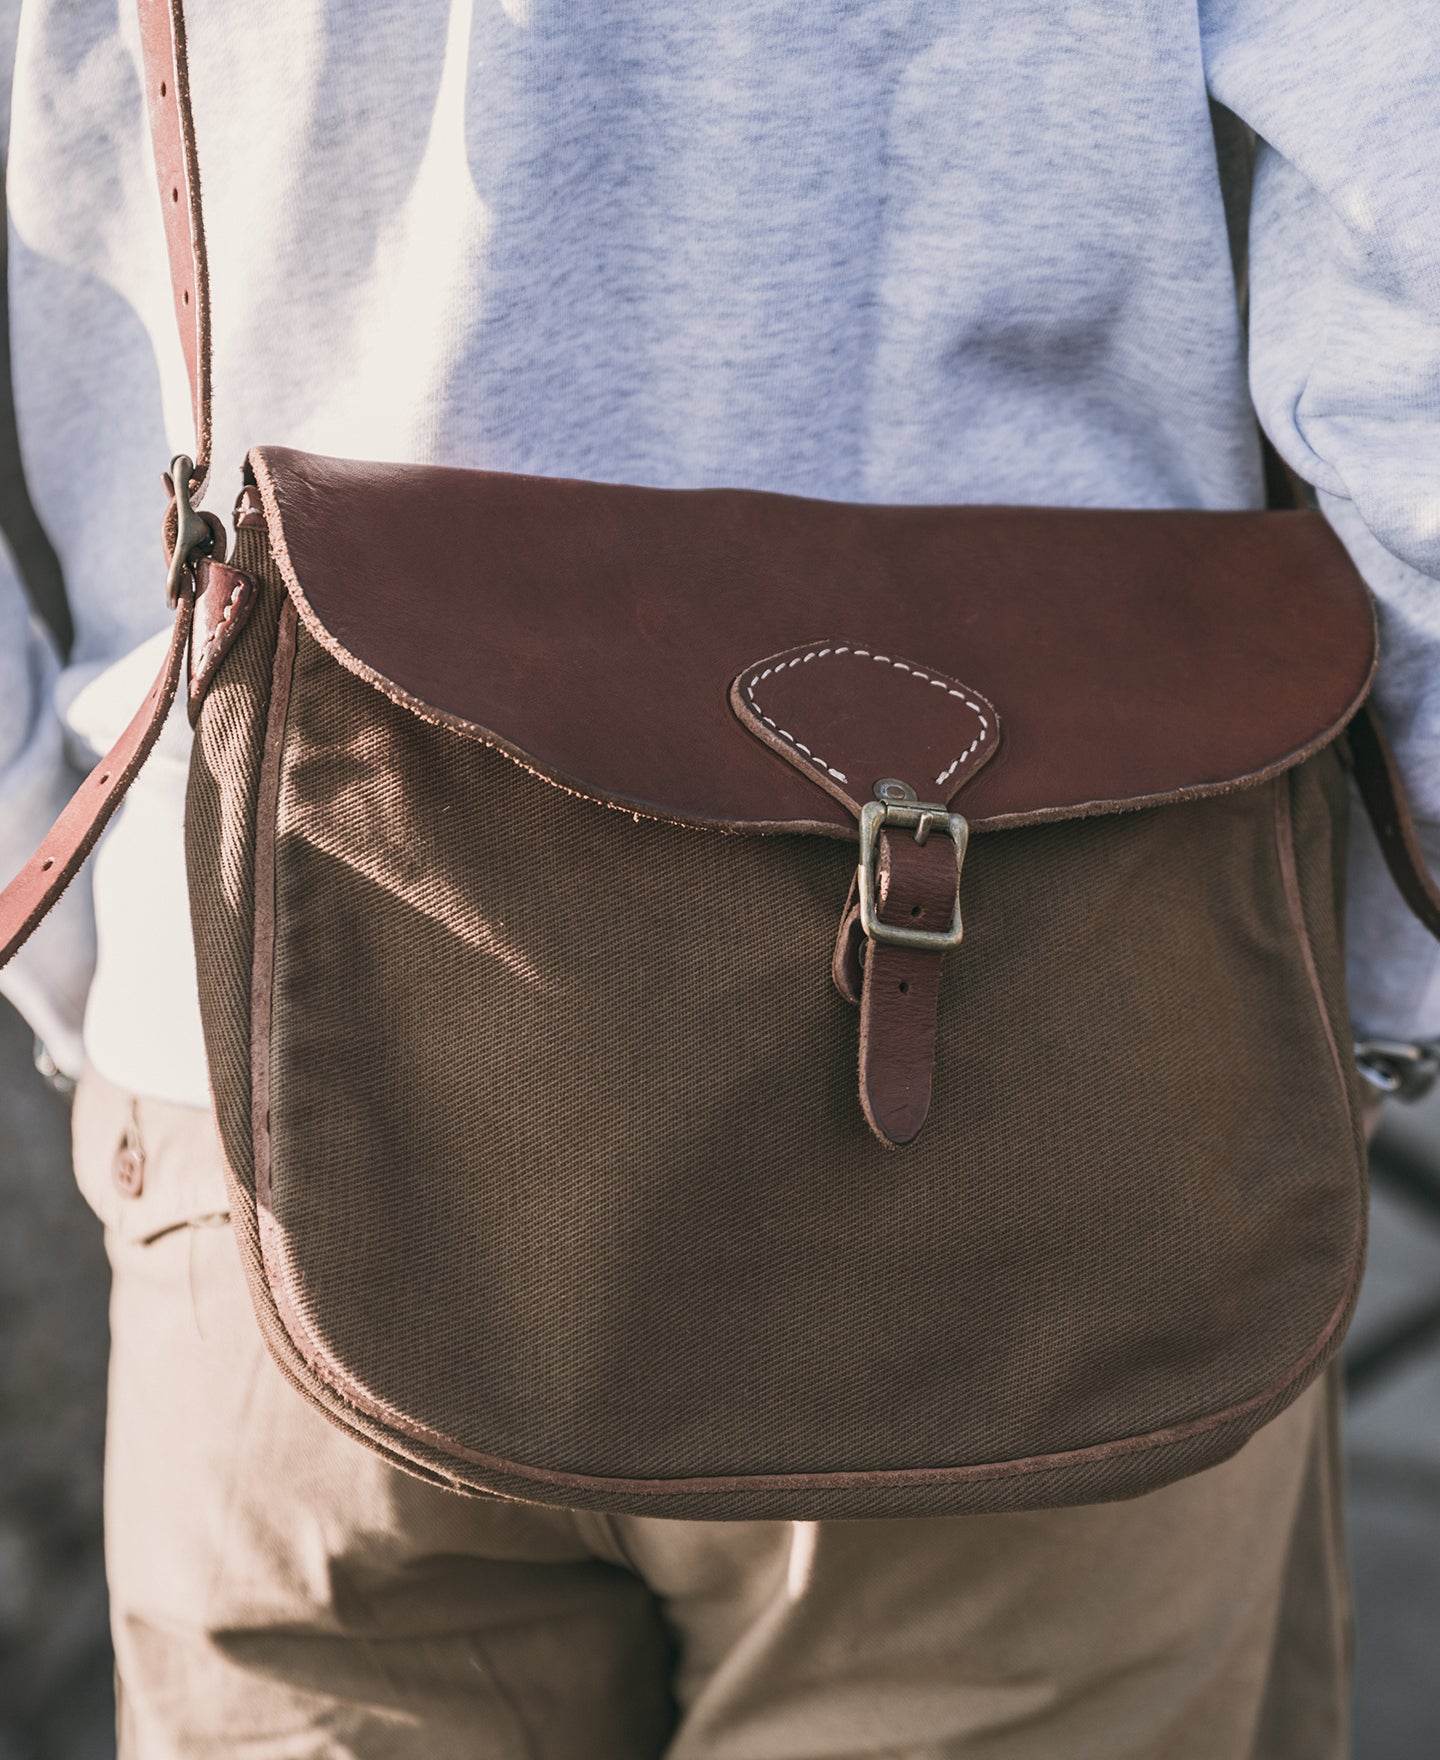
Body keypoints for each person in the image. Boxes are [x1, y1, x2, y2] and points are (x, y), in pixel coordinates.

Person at [1, 3, 1437, 1754]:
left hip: (278, 1032)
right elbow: (1413, 287)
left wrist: (98, 922)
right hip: (1083, 1063)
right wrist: (1350, 967)